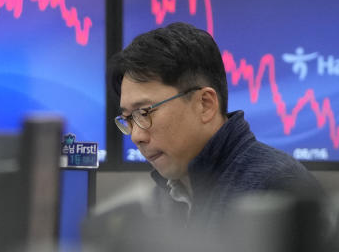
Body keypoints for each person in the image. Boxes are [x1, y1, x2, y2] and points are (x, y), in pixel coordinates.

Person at [108, 22, 326, 226]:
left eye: (145, 112)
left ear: (205, 104)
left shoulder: (277, 190)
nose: (136, 136)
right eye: (129, 119)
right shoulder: (160, 200)